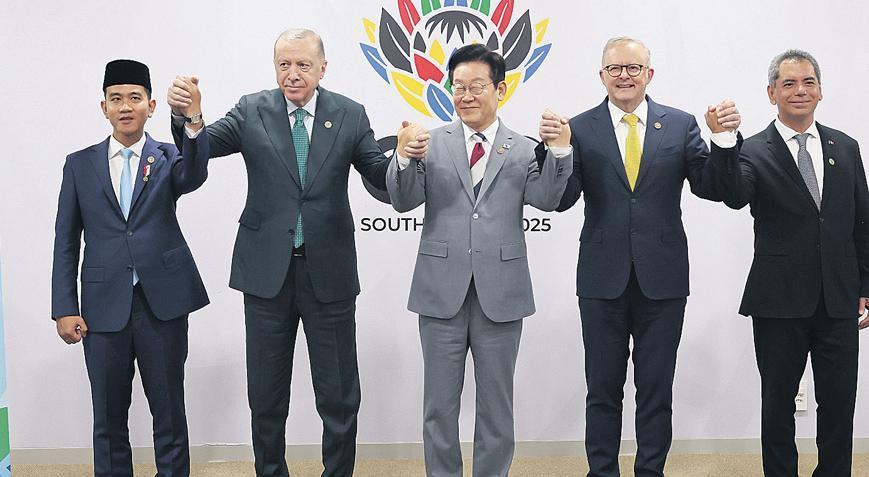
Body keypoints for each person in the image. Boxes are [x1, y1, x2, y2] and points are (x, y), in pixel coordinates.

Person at [167, 28, 427, 477]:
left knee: (339, 396)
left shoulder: (349, 114)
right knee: (266, 396)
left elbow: (378, 175)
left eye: (303, 65)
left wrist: (401, 157)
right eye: (284, 64)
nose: (293, 74)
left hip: (330, 275)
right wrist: (189, 117)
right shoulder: (252, 110)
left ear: (323, 68)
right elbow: (203, 145)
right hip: (266, 275)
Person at [555, 37, 741, 476]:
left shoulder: (679, 125)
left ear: (649, 74)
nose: (624, 76)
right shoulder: (579, 128)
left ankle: (650, 471)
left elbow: (713, 187)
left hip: (664, 279)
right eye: (615, 68)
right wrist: (558, 150)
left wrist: (723, 139)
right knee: (602, 389)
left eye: (633, 68)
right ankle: (602, 471)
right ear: (602, 75)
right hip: (601, 279)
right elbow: (562, 200)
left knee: (656, 390)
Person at [387, 44, 573, 477]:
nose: (466, 95)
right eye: (458, 87)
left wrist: (560, 152)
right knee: (438, 408)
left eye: (476, 86)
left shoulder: (524, 148)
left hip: (501, 295)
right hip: (440, 293)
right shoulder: (429, 143)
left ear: (500, 90)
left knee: (496, 407)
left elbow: (547, 199)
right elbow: (403, 201)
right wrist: (402, 157)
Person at [706, 49, 869, 476]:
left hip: (839, 298)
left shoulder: (845, 146)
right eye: (789, 83)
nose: (800, 90)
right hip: (777, 301)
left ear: (820, 90)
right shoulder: (752, 149)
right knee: (777, 404)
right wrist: (723, 142)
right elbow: (733, 195)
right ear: (771, 93)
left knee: (839, 404)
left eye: (808, 82)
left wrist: (866, 286)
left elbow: (861, 221)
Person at [51, 59, 210, 477]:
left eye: (135, 98)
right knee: (107, 417)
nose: (125, 106)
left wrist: (192, 117)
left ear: (151, 106)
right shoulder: (79, 164)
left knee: (169, 411)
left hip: (163, 304)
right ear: (103, 107)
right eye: (116, 98)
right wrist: (64, 307)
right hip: (103, 306)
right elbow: (66, 242)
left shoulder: (170, 157)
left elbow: (195, 174)